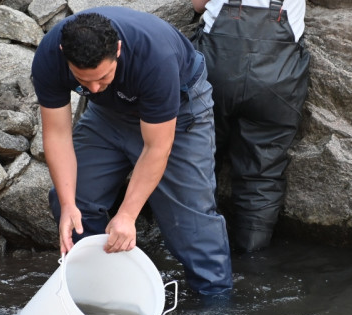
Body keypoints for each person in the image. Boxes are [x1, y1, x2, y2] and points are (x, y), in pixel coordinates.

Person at [31, 7, 232, 295]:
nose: (95, 87)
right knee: (76, 203)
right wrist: (67, 205)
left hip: (180, 110)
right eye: (83, 81)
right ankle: (106, 292)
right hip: (109, 115)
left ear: (119, 50)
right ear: (64, 54)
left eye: (103, 77)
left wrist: (126, 215)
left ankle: (215, 307)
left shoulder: (154, 57)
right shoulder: (50, 55)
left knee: (191, 226)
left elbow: (157, 147)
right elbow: (57, 134)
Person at [191, 0, 310, 253]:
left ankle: (203, 253)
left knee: (199, 159)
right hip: (277, 75)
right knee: (262, 170)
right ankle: (252, 259)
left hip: (217, 68)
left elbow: (199, 5)